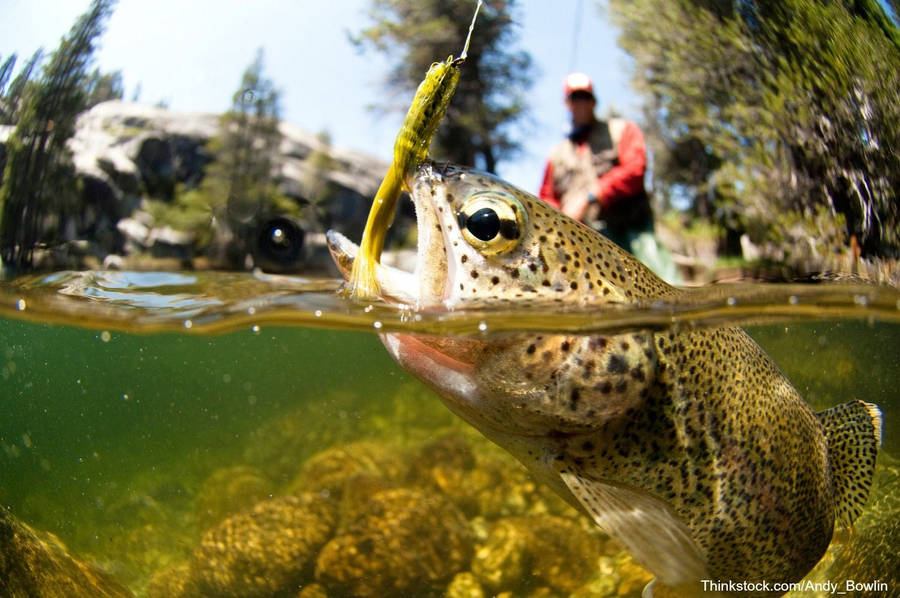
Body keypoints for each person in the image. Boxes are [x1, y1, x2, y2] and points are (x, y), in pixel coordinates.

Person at [539, 72, 680, 283]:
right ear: (567, 103)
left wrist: (592, 195)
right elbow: (546, 198)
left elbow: (635, 170)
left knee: (664, 286)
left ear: (594, 101)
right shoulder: (556, 156)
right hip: (585, 246)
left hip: (634, 233)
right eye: (575, 98)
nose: (581, 103)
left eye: (585, 97)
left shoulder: (622, 130)